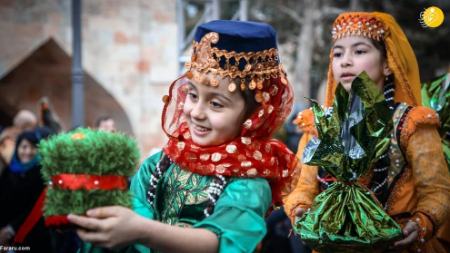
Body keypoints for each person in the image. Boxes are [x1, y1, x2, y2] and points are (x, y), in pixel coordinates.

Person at [68, 20, 297, 252]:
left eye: (216, 104)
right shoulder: (159, 165)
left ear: (253, 116)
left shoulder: (248, 183)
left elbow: (222, 243)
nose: (196, 112)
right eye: (192, 95)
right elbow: (132, 214)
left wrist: (142, 231)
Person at [283, 12, 450, 252]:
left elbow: (438, 190)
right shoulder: (318, 125)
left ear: (387, 65)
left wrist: (422, 222)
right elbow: (301, 185)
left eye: (359, 51)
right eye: (338, 53)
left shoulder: (411, 123)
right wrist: (299, 209)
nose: (345, 61)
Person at [0, 127, 54, 251]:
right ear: (17, 148)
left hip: (32, 238)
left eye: (33, 147)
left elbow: (36, 208)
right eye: (23, 147)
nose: (28, 152)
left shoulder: (42, 174)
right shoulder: (9, 171)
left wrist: (11, 229)